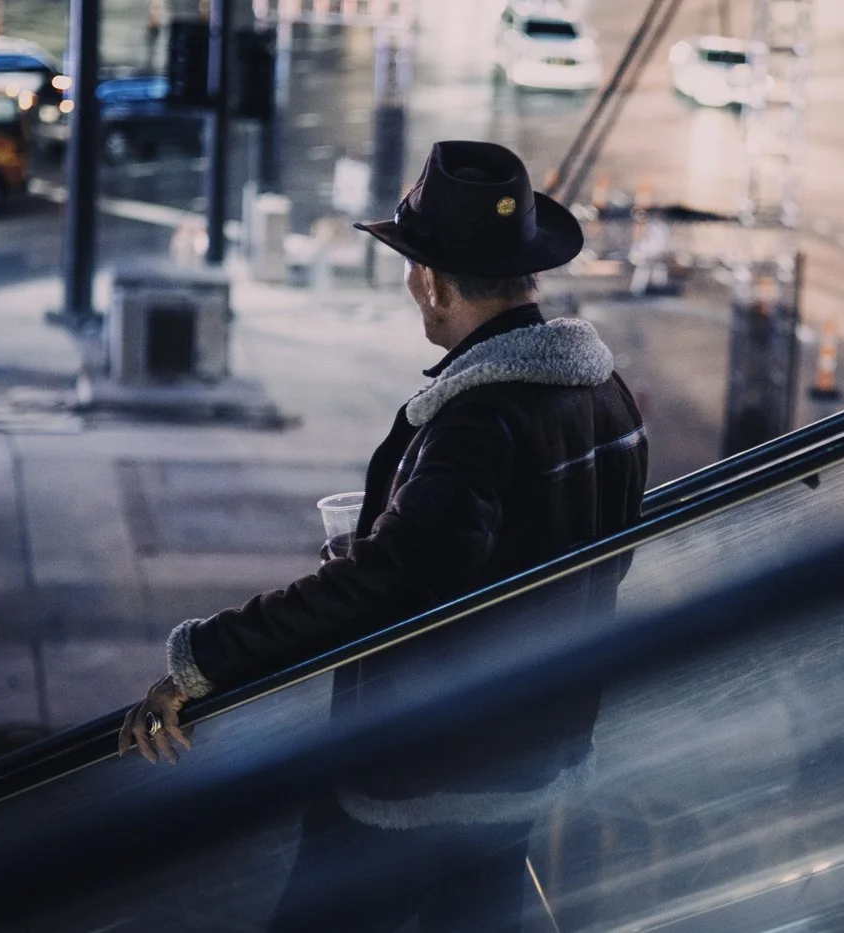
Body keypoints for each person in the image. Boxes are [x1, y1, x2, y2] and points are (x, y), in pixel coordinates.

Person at [118, 139, 649, 932]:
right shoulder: (605, 392)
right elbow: (572, 553)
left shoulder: (479, 421)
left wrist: (201, 663)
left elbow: (387, 580)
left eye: (409, 267)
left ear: (431, 282)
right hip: (535, 751)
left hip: (422, 774)